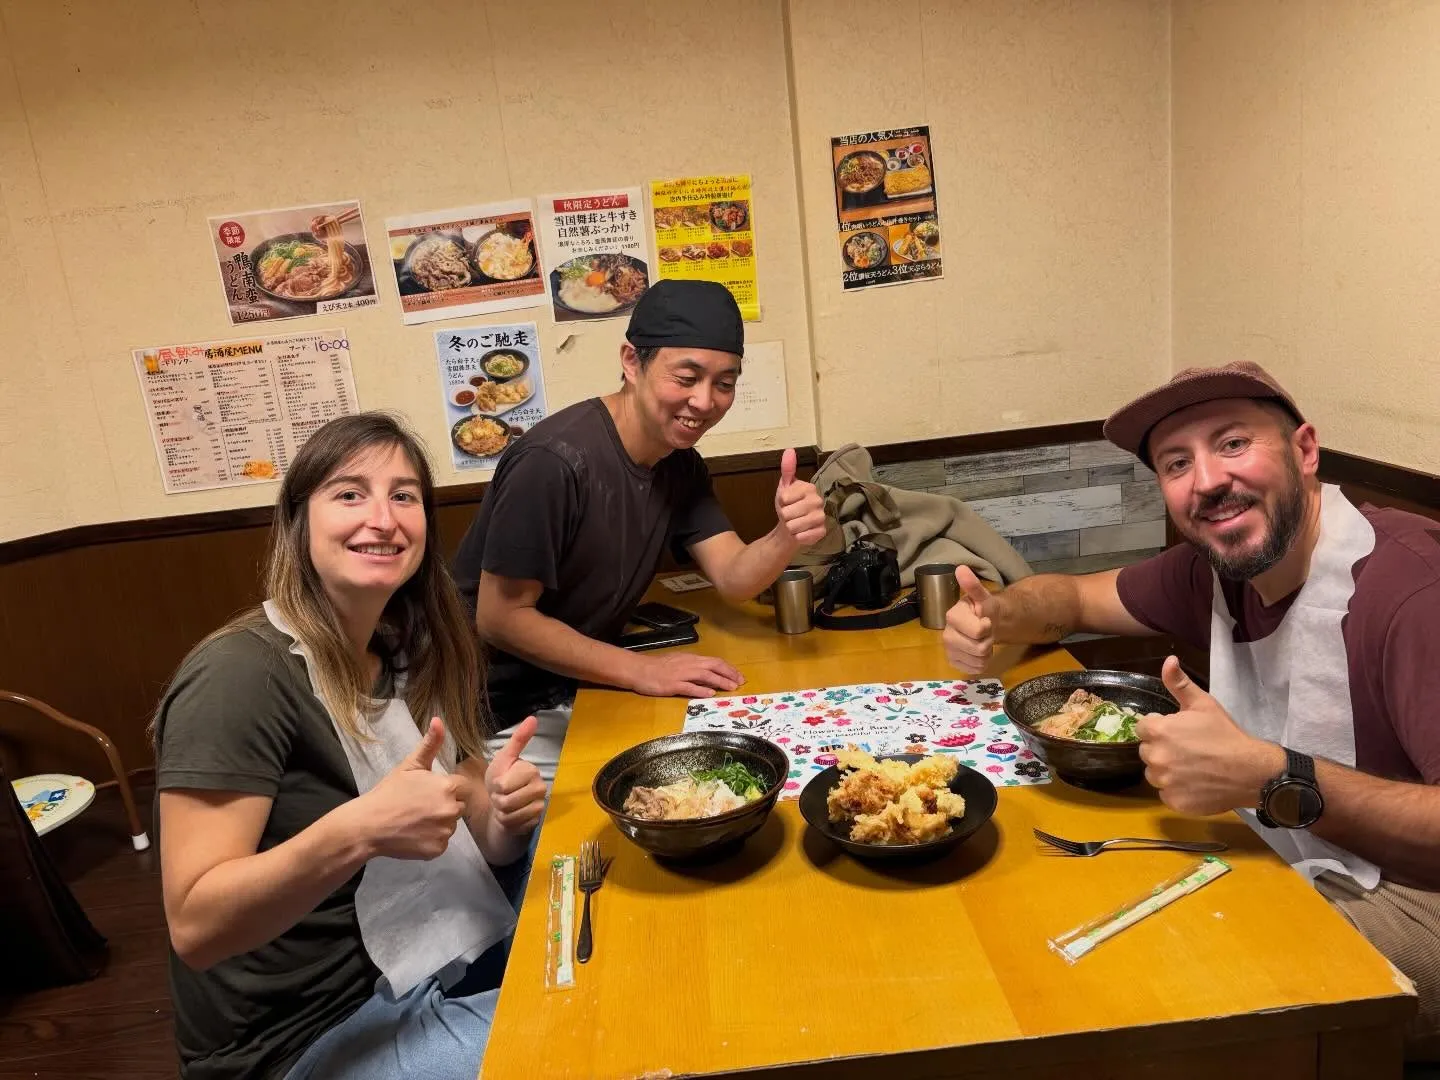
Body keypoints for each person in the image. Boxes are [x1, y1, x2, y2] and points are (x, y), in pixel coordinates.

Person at [942, 361, 1440, 1058]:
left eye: (1233, 444)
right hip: (1303, 852)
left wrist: (1275, 778)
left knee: (1177, 984)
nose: (1206, 481)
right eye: (1178, 463)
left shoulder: (1410, 592)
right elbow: (1075, 599)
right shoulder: (1214, 568)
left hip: (1416, 895)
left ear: (1304, 451)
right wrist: (1000, 614)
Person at [152, 413, 547, 1080]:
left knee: (587, 867)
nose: (383, 518)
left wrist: (505, 820)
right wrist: (361, 830)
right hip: (301, 1042)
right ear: (299, 520)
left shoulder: (412, 645)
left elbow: (481, 823)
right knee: (580, 1030)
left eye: (404, 496)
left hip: (419, 966)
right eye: (349, 493)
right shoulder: (239, 676)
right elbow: (194, 926)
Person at [453, 280, 826, 779]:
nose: (705, 400)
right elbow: (500, 618)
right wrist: (642, 670)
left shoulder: (678, 463)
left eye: (724, 383)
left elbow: (735, 577)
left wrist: (785, 534)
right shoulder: (554, 461)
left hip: (583, 687)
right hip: (494, 714)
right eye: (686, 377)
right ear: (632, 361)